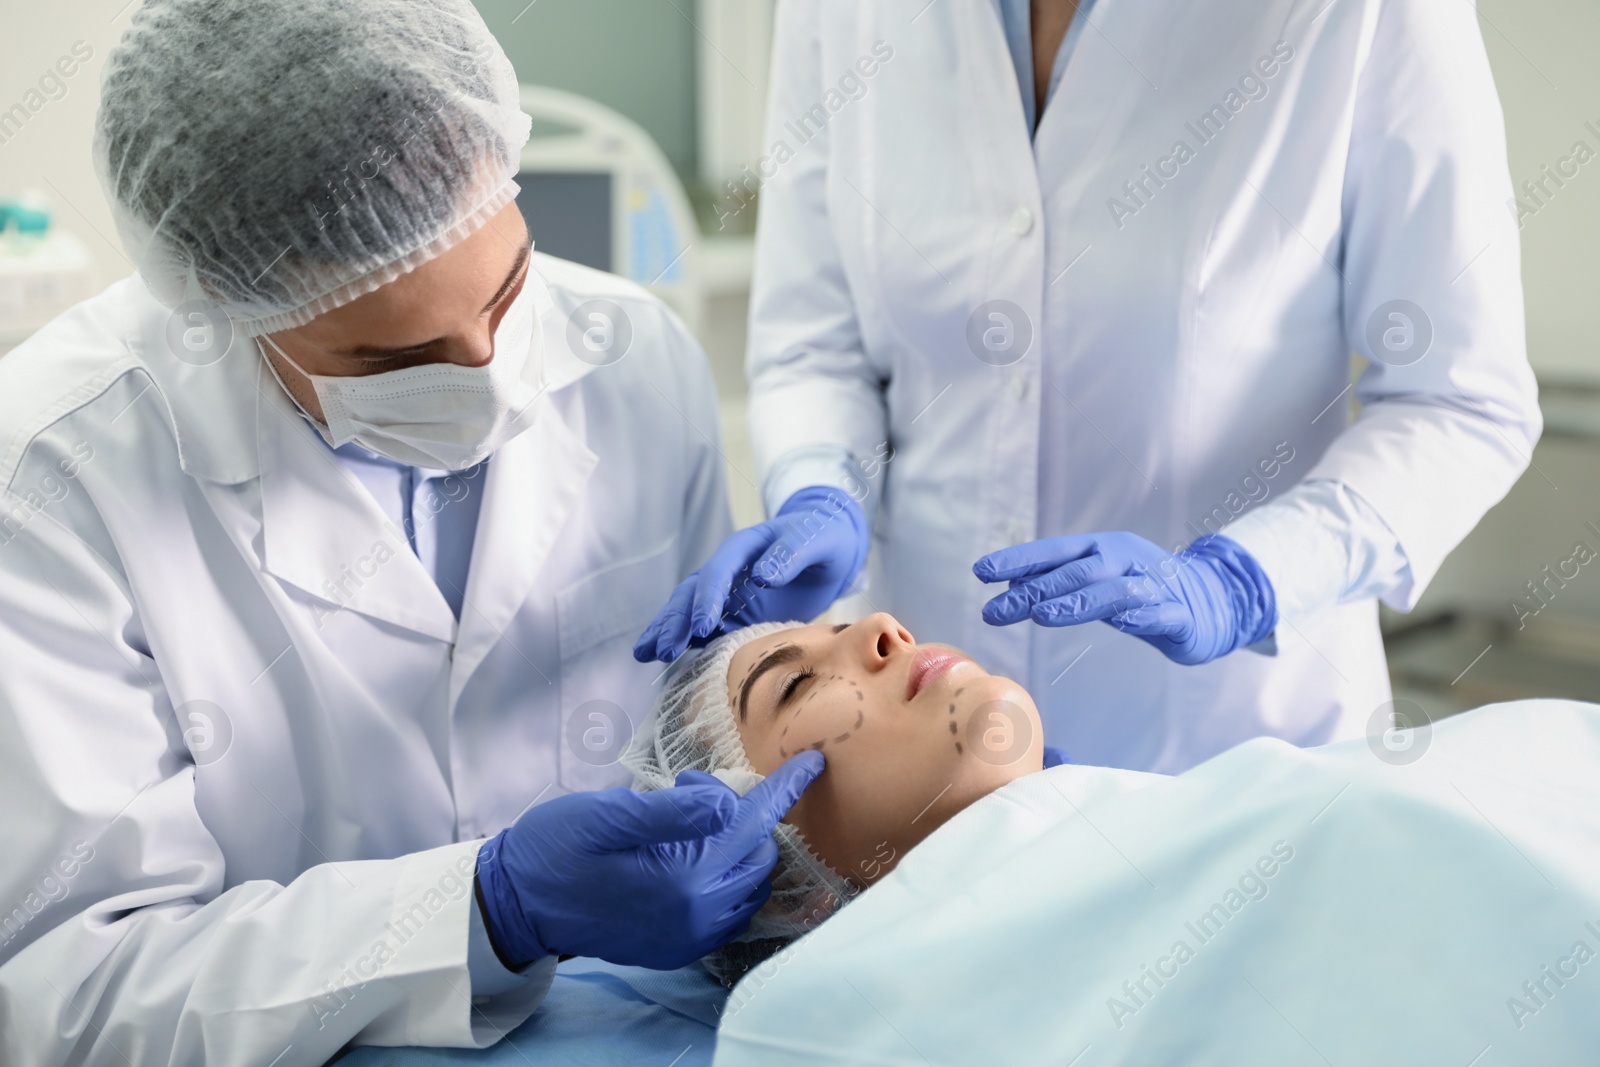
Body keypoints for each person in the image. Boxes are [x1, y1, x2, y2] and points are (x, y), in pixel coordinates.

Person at [0, 2, 821, 1063]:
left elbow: (689, 727)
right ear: (223, 298)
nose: (488, 371)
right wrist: (492, 910)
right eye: (394, 360)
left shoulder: (632, 357)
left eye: (511, 285)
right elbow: (72, 987)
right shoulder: (56, 477)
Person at [637, 0, 1543, 774]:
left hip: (1228, 755)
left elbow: (1461, 400)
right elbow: (815, 346)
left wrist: (1244, 582)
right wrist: (821, 488)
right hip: (930, 797)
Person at [629, 616, 1600, 1067]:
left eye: (851, 618)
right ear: (773, 871)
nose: (881, 629)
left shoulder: (1183, 818)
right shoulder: (814, 1012)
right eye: (795, 685)